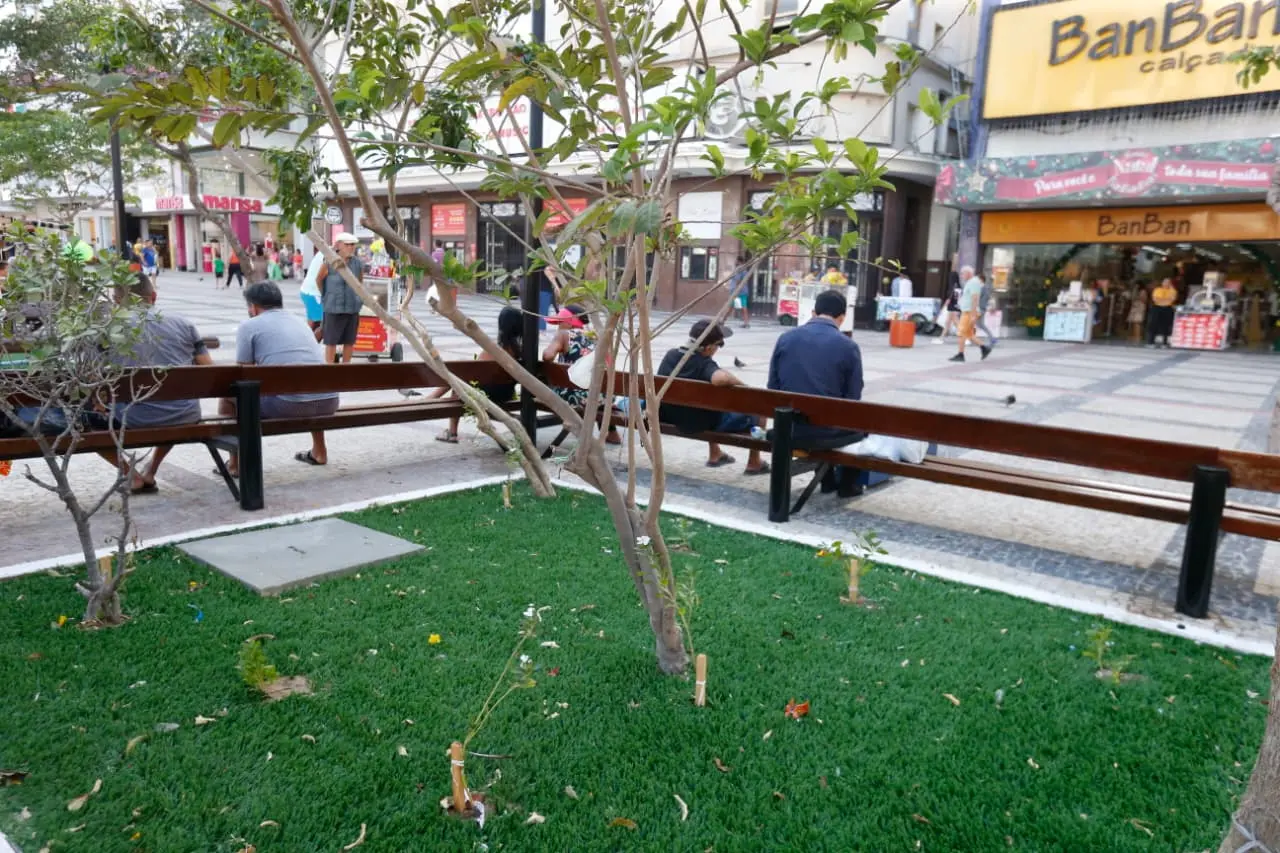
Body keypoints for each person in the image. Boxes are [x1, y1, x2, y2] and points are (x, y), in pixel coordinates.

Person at [95, 272, 214, 493]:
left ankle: (131, 474)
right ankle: (151, 471)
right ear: (154, 296)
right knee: (172, 402)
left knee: (83, 424)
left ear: (118, 301)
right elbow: (209, 369)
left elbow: (94, 380)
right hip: (184, 414)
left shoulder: (108, 331)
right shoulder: (184, 324)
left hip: (132, 419)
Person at [217, 281, 338, 474]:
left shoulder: (249, 326)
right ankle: (319, 451)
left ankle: (235, 464)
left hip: (288, 405)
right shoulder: (301, 323)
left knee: (228, 399)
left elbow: (243, 373)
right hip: (328, 402)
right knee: (308, 384)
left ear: (253, 307)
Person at [768, 288, 866, 496]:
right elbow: (853, 399)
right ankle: (847, 486)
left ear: (813, 312)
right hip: (826, 432)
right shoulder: (848, 347)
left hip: (788, 429)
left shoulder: (785, 339)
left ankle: (827, 480)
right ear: (842, 317)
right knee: (861, 426)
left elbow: (772, 387)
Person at [657, 320, 767, 474]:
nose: (718, 349)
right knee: (760, 411)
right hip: (696, 423)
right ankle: (754, 462)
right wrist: (744, 387)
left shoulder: (671, 355)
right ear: (708, 347)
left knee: (709, 405)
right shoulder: (704, 364)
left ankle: (716, 453)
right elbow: (720, 379)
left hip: (667, 415)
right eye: (719, 344)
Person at [432, 306, 523, 443]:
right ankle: (434, 396)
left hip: (487, 397)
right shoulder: (520, 351)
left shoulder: (493, 349)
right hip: (506, 394)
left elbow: (475, 372)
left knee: (458, 379)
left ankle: (451, 431)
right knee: (461, 374)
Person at [542, 304, 621, 444]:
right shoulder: (597, 336)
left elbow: (547, 356)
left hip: (575, 396)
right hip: (602, 396)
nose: (558, 325)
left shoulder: (564, 335)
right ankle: (612, 433)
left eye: (561, 322)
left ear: (569, 321)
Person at [317, 233, 365, 364]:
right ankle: (330, 368)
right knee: (330, 341)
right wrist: (327, 295)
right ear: (339, 245)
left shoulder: (357, 263)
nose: (350, 247)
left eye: (352, 245)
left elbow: (360, 283)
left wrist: (358, 299)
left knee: (349, 341)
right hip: (333, 308)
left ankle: (346, 367)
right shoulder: (329, 261)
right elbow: (319, 279)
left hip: (352, 307)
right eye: (347, 244)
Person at [950, 266, 991, 363]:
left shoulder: (973, 282)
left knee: (961, 332)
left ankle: (960, 354)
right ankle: (984, 348)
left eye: (963, 273)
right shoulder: (972, 282)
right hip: (967, 311)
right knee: (968, 334)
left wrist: (973, 314)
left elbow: (975, 298)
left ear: (968, 273)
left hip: (969, 312)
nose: (961, 276)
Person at [300, 249, 325, 341]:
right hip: (314, 293)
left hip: (307, 291)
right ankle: (308, 348)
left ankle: (303, 346)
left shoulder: (324, 252)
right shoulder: (330, 255)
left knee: (311, 325)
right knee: (323, 326)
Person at [1147, 278, 1178, 348]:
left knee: (1166, 326)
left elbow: (1172, 299)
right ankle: (1150, 342)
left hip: (1167, 309)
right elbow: (1155, 299)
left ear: (1170, 284)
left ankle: (1165, 343)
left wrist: (1163, 300)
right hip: (1157, 308)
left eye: (1168, 282)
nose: (1166, 283)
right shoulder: (1157, 290)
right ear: (1162, 283)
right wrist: (1166, 300)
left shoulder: (1172, 291)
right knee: (1153, 324)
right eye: (1165, 282)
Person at [974, 272, 998, 348]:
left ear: (981, 280)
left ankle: (970, 339)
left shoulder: (982, 288)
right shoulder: (986, 288)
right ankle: (992, 338)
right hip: (982, 309)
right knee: (980, 325)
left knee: (971, 323)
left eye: (977, 279)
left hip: (979, 309)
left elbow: (977, 298)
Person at [730, 253, 752, 328]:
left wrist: (736, 290)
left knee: (731, 305)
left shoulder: (739, 268)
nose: (735, 262)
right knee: (741, 306)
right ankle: (746, 322)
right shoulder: (744, 269)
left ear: (738, 261)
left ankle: (723, 319)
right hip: (742, 291)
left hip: (738, 291)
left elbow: (738, 280)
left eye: (736, 260)